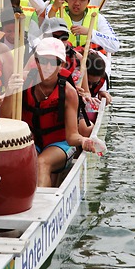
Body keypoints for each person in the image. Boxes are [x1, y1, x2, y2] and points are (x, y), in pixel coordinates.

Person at [22, 37, 96, 187]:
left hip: (61, 145)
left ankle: (42, 208)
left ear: (61, 65)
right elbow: (7, 119)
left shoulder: (68, 92)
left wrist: (83, 140)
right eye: (43, 61)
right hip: (31, 143)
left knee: (42, 162)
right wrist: (10, 92)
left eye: (54, 62)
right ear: (36, 62)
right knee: (25, 164)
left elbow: (72, 136)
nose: (48, 66)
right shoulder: (23, 83)